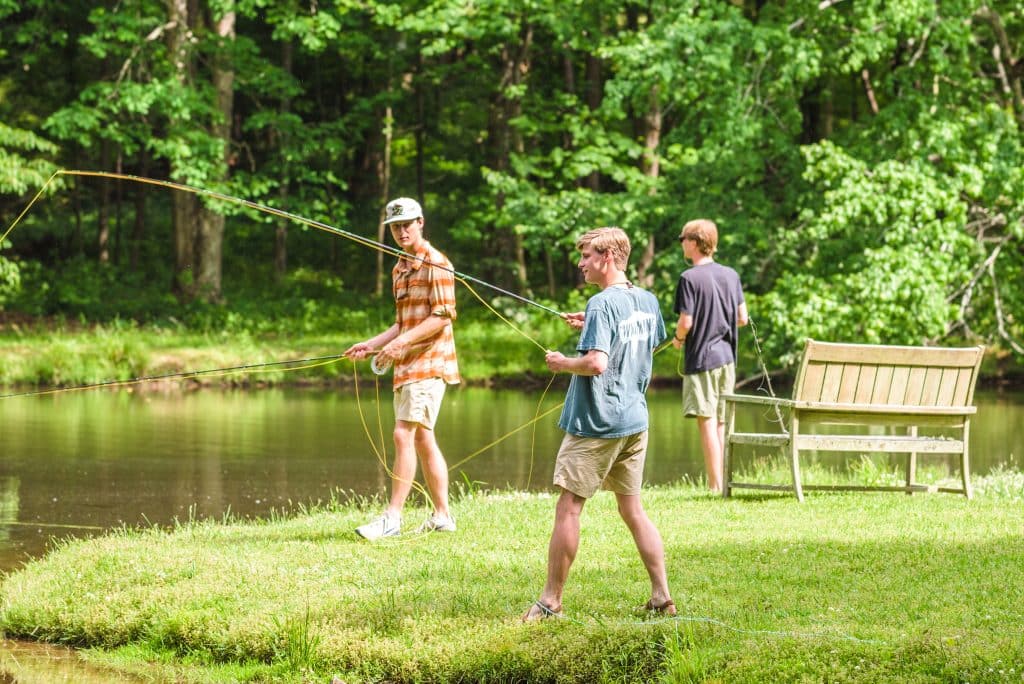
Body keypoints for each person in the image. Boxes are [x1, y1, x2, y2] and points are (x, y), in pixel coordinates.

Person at [522, 227, 675, 621]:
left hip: (598, 423)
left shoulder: (600, 303)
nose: (581, 263)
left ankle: (551, 601)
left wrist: (561, 363)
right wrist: (591, 325)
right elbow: (647, 341)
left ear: (607, 258)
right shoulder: (646, 299)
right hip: (635, 421)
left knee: (569, 508)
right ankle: (662, 595)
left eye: (587, 256)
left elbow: (596, 363)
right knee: (633, 509)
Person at [345, 197, 460, 539]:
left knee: (402, 434)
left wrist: (400, 346)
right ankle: (442, 516)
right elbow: (401, 323)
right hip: (407, 361)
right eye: (395, 226)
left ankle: (392, 518)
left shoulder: (437, 264)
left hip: (429, 360)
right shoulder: (398, 267)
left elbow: (443, 316)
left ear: (421, 222)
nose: (401, 231)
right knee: (423, 438)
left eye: (407, 224)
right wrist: (374, 344)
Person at [672, 219, 748, 494]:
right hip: (727, 358)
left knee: (706, 423)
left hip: (702, 360)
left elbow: (686, 322)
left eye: (683, 238)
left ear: (694, 242)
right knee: (721, 423)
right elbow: (742, 318)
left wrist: (678, 340)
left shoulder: (688, 278)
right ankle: (723, 483)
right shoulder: (731, 275)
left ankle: (716, 487)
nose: (681, 243)